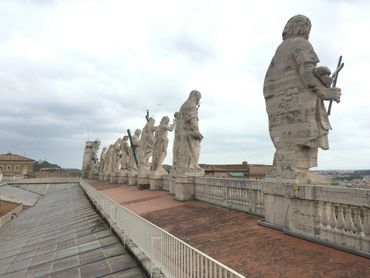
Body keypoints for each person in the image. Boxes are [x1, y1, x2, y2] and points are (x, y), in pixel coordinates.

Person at [263, 15, 341, 180]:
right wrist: (326, 92)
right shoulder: (300, 43)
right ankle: (293, 170)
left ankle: (287, 169)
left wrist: (319, 76)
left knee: (288, 140)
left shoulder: (280, 49)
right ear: (303, 28)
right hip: (295, 103)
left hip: (279, 106)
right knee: (299, 137)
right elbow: (306, 75)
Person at [172, 90, 204, 175]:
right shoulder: (191, 105)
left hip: (182, 134)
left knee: (184, 150)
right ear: (196, 97)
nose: (198, 101)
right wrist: (197, 133)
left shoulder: (183, 105)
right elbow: (192, 120)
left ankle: (187, 165)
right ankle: (193, 165)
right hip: (189, 133)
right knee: (196, 147)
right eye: (198, 98)